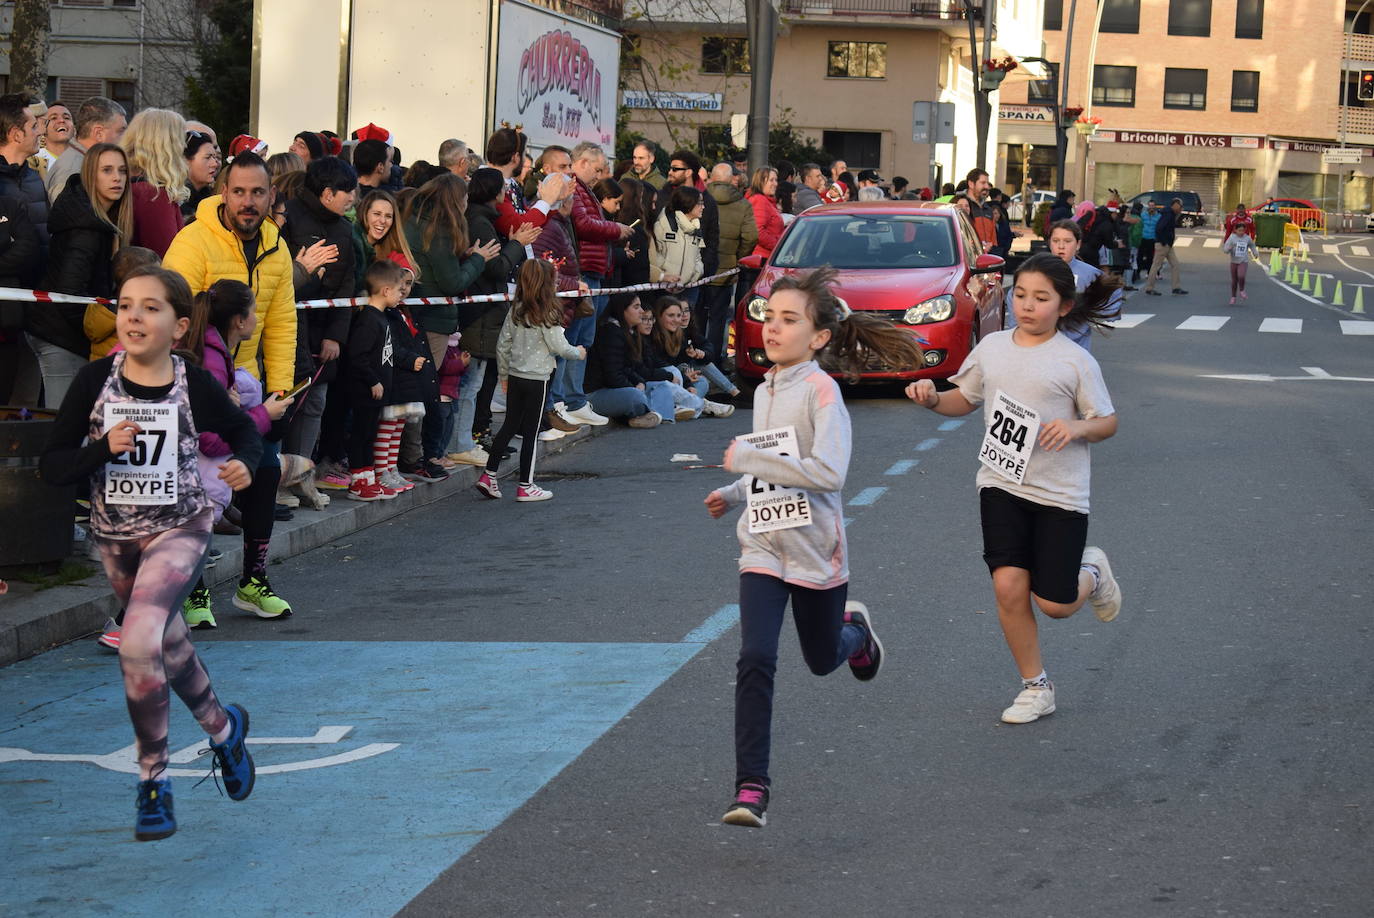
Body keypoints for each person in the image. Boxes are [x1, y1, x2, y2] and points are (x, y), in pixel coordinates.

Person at [39, 264, 260, 841]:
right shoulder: (94, 381)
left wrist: (244, 462)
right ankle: (224, 730)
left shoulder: (193, 383)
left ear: (179, 326)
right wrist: (100, 450)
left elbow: (246, 431)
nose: (134, 317)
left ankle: (153, 782)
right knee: (168, 645)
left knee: (137, 641)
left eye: (150, 307)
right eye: (125, 305)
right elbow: (52, 467)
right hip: (116, 539)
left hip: (181, 527)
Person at [704, 265, 923, 827]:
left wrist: (747, 459)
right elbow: (773, 460)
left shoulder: (822, 392)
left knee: (822, 660)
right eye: (769, 317)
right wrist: (734, 492)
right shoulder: (767, 387)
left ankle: (856, 635)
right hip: (762, 543)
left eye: (789, 320)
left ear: (819, 336)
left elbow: (827, 472)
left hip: (814, 548)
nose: (773, 328)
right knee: (755, 656)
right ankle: (751, 788)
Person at [905, 251, 1122, 725]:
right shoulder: (993, 347)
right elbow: (965, 398)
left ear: (1064, 306)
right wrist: (932, 399)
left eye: (1041, 298)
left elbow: (1107, 422)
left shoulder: (1075, 361)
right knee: (1008, 585)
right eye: (1020, 294)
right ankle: (1036, 687)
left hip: (1059, 493)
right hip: (1001, 482)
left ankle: (1093, 572)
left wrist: (1077, 428)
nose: (1027, 305)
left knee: (1056, 604)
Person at [163, 150, 299, 620]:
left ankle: (253, 581)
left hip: (250, 387)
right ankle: (194, 590)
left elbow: (281, 323)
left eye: (257, 192)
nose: (248, 201)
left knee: (264, 475)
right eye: (238, 191)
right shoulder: (192, 242)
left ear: (271, 194)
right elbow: (174, 322)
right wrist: (203, 388)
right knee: (197, 490)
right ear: (224, 192)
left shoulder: (277, 246)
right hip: (196, 387)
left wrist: (280, 391)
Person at [180, 279, 296, 628]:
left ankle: (253, 580)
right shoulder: (209, 358)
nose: (258, 318)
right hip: (194, 460)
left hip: (221, 449)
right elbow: (211, 440)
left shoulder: (220, 350)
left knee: (267, 467)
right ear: (239, 320)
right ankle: (193, 590)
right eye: (254, 311)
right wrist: (264, 414)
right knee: (202, 503)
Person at [403, 173, 501, 468]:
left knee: (416, 387)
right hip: (434, 318)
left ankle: (415, 454)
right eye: (465, 198)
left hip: (417, 313)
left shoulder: (415, 221)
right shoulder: (439, 230)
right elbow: (451, 282)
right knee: (424, 389)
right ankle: (420, 455)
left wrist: (463, 257)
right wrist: (478, 259)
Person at [475, 259, 585, 502]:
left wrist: (504, 376)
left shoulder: (516, 310)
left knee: (509, 425)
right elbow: (559, 347)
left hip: (516, 376)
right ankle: (526, 485)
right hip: (538, 379)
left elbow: (503, 345)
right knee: (531, 432)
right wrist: (578, 352)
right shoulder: (548, 313)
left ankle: (489, 475)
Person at [40, 143, 132, 402]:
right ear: (91, 174)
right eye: (107, 170)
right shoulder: (86, 229)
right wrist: (97, 329)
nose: (117, 178)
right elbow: (68, 295)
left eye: (122, 171)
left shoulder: (94, 216)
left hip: (60, 330)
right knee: (62, 418)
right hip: (58, 333)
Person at [465, 167, 540, 451]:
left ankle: (481, 431)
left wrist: (511, 241)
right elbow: (496, 267)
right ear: (496, 192)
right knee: (480, 379)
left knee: (488, 374)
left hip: (489, 307)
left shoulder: (485, 220)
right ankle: (477, 434)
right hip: (483, 309)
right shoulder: (480, 222)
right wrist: (517, 243)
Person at [1005, 219, 1121, 351]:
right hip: (1037, 348)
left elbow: (1113, 295)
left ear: (1078, 244)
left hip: (1075, 349)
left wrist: (1089, 312)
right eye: (1055, 241)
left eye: (1067, 241)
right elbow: (1014, 296)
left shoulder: (1089, 274)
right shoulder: (1035, 270)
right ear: (1049, 243)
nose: (1061, 246)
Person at [344, 258, 405, 500]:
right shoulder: (369, 319)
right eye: (399, 290)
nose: (402, 295)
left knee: (369, 434)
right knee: (361, 434)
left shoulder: (381, 317)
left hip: (377, 392)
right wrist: (372, 381)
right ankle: (358, 482)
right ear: (386, 290)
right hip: (365, 390)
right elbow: (357, 355)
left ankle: (369, 479)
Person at [584, 292, 676, 428]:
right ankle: (648, 413)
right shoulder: (610, 332)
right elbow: (612, 376)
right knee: (635, 397)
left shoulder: (625, 331)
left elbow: (628, 368)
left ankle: (659, 417)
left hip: (616, 388)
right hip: (596, 394)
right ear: (622, 310)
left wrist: (639, 381)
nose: (642, 311)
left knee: (661, 386)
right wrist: (633, 386)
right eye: (636, 307)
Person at [704, 163, 757, 371]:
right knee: (720, 318)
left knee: (697, 317)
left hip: (699, 268)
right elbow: (751, 236)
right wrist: (738, 258)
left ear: (712, 177)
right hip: (726, 269)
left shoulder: (700, 198)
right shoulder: (743, 204)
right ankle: (716, 361)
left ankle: (697, 359)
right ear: (730, 179)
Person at [119, 108, 189, 256]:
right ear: (168, 148)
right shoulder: (153, 196)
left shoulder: (129, 186)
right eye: (182, 139)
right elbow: (168, 257)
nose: (185, 146)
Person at [46, 96, 127, 202]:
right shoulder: (73, 171)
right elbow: (66, 212)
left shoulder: (83, 162)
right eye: (121, 131)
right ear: (99, 133)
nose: (126, 137)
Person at [650, 184, 706, 290]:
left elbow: (698, 257)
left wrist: (695, 273)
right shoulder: (662, 225)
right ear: (687, 203)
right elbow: (655, 255)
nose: (703, 207)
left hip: (688, 289)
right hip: (662, 287)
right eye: (700, 203)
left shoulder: (696, 227)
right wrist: (665, 274)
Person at [1144, 198, 1187, 296]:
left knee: (1175, 264)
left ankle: (1176, 287)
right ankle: (1149, 288)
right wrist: (1163, 241)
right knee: (1156, 266)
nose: (1181, 208)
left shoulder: (1170, 213)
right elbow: (1159, 228)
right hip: (1163, 244)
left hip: (1167, 244)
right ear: (1175, 205)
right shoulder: (1168, 214)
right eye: (1180, 206)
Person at [182, 130, 220, 222]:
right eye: (207, 157)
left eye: (214, 157)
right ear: (186, 161)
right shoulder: (174, 200)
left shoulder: (211, 199)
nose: (215, 164)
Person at [32, 102, 73, 181]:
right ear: (43, 127)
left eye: (67, 118)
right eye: (53, 118)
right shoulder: (34, 160)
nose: (61, 120)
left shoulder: (84, 160)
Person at [1222, 220, 1256, 305]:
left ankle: (1242, 290)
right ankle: (1233, 297)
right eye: (1239, 230)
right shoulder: (1232, 238)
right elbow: (1225, 249)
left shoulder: (1247, 238)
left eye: (1243, 230)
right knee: (1234, 280)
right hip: (1234, 261)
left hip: (1243, 260)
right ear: (1235, 230)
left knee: (1241, 276)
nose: (1241, 232)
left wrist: (1255, 253)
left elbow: (1252, 245)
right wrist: (1230, 247)